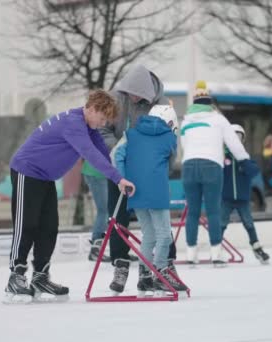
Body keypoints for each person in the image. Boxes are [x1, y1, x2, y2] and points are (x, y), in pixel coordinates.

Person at [4, 90, 135, 304]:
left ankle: (40, 277)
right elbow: (90, 155)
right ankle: (16, 276)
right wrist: (118, 179)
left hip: (45, 177)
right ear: (91, 109)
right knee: (26, 224)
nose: (103, 123)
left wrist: (120, 174)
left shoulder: (88, 125)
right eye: (102, 118)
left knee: (49, 227)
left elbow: (102, 151)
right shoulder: (73, 124)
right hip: (26, 171)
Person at [98, 65, 178, 291]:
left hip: (149, 172)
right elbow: (102, 131)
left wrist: (162, 169)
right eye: (129, 93)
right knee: (117, 217)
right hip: (119, 167)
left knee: (159, 223)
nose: (132, 98)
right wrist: (119, 152)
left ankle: (163, 267)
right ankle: (120, 265)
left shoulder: (160, 104)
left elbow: (169, 139)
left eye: (137, 95)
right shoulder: (116, 99)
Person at [114, 105, 188, 294]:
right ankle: (160, 273)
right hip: (157, 190)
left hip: (134, 190)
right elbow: (171, 164)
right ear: (171, 122)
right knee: (163, 234)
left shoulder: (131, 134)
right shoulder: (170, 138)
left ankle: (145, 276)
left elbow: (116, 156)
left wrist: (123, 179)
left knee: (149, 235)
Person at [180, 80, 250, 266]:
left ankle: (190, 254)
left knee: (192, 212)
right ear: (210, 103)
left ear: (194, 103)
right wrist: (245, 159)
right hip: (211, 165)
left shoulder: (186, 121)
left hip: (188, 166)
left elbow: (184, 146)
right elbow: (234, 143)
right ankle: (216, 254)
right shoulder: (218, 119)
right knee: (213, 211)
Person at [220, 124, 270, 264]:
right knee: (221, 224)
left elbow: (254, 171)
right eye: (233, 137)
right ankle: (216, 248)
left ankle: (257, 248)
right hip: (226, 198)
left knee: (249, 224)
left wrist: (244, 163)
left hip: (242, 198)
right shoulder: (223, 156)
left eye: (239, 137)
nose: (236, 140)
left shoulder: (244, 157)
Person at [81, 162, 110, 262]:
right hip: (97, 172)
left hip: (98, 171)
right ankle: (95, 250)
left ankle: (97, 249)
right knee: (104, 211)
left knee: (105, 210)